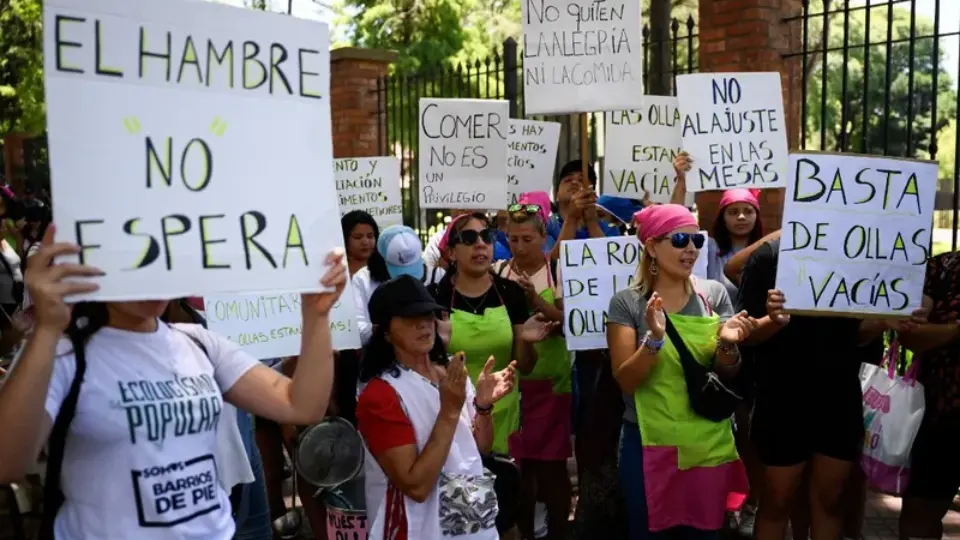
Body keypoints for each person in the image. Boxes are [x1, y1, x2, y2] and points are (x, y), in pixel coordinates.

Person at [0, 226, 347, 539]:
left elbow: (301, 405)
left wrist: (316, 316)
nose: (154, 274)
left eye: (165, 257)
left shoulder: (200, 343)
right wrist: (46, 328)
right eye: (139, 259)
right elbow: (7, 463)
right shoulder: (62, 354)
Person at [737, 237, 922, 540]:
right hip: (782, 397)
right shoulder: (769, 257)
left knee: (830, 502)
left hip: (839, 396)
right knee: (777, 501)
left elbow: (856, 336)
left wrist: (881, 322)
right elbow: (746, 334)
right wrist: (773, 319)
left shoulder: (859, 258)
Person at [607, 204, 754, 539]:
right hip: (648, 444)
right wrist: (654, 340)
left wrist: (728, 345)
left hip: (708, 445)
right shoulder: (627, 303)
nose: (690, 249)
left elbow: (728, 371)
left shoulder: (713, 294)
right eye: (679, 239)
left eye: (696, 241)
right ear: (651, 247)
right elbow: (627, 379)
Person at [356, 275, 531, 540]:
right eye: (410, 318)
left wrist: (483, 406)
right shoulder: (380, 394)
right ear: (386, 332)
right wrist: (449, 410)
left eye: (428, 315)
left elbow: (479, 448)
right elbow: (416, 486)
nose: (423, 324)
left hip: (470, 520)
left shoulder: (450, 371)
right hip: (417, 527)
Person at [432, 212, 551, 456]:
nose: (480, 244)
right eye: (468, 238)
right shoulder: (435, 297)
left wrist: (525, 342)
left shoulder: (511, 293)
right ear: (451, 252)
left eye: (486, 236)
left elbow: (526, 367)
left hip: (503, 416)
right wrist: (438, 346)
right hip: (452, 416)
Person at [494, 199, 571, 540]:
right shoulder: (497, 272)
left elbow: (574, 323)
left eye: (527, 238)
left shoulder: (558, 273)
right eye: (513, 239)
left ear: (544, 237)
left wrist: (538, 303)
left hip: (552, 385)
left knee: (552, 470)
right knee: (518, 471)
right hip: (511, 385)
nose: (520, 246)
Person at [898, 251, 960, 540]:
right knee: (919, 515)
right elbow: (912, 334)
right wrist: (954, 330)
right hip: (941, 414)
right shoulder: (942, 268)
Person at [353, 225, 445, 346]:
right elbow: (357, 327)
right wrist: (388, 331)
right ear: (382, 257)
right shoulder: (363, 279)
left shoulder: (437, 275)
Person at [342, 210, 379, 277]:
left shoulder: (387, 268)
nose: (365, 242)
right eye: (358, 237)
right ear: (345, 238)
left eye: (370, 236)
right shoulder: (338, 272)